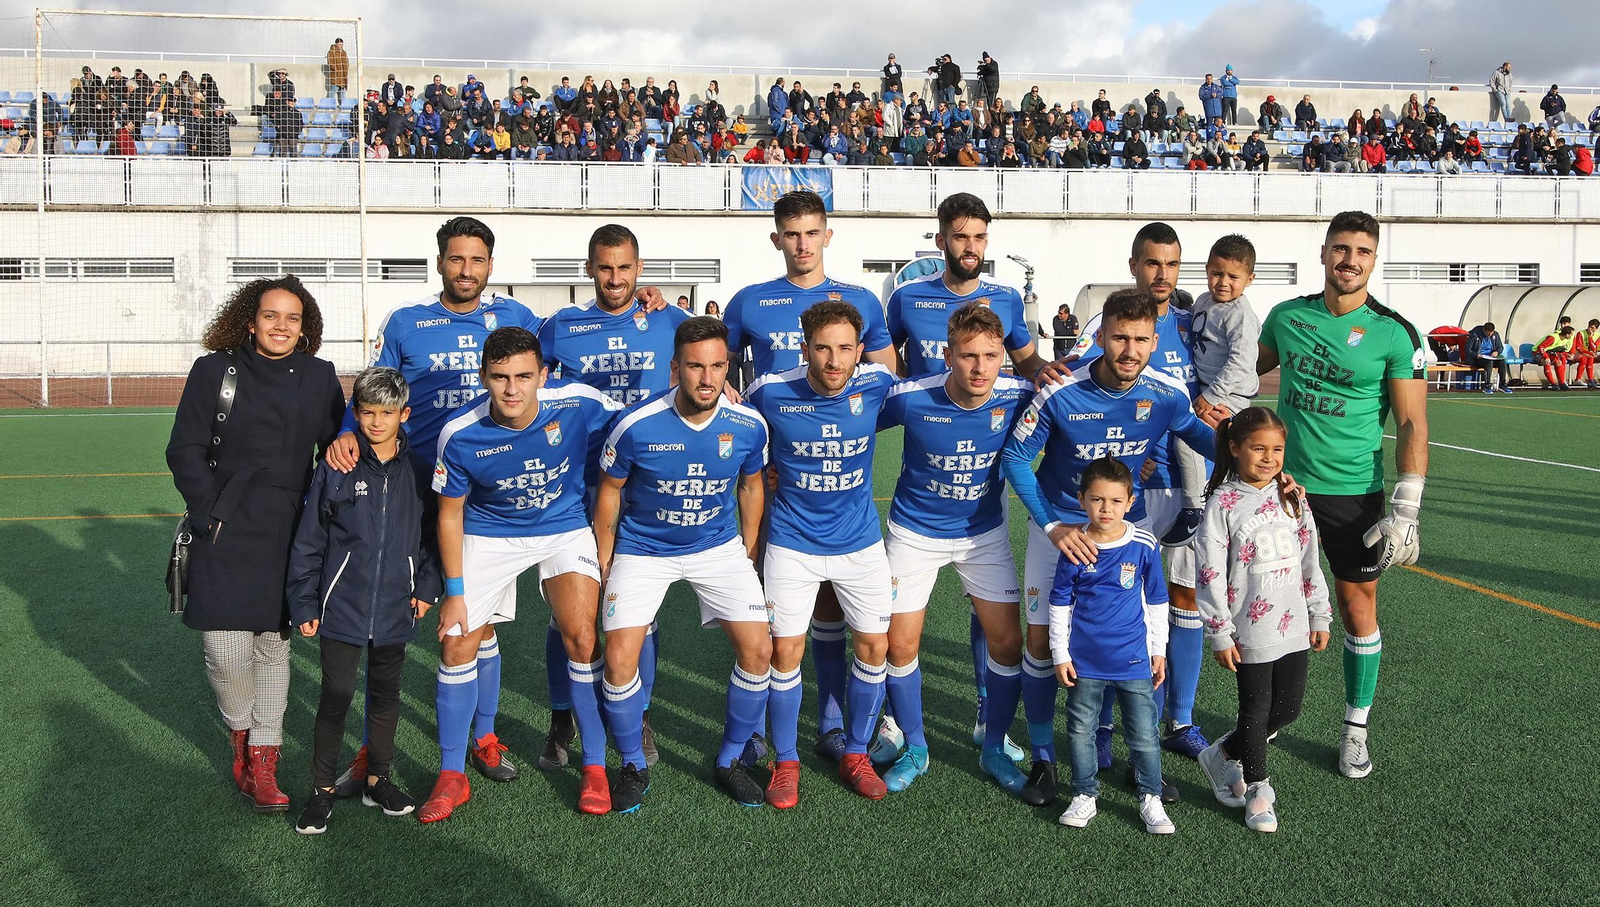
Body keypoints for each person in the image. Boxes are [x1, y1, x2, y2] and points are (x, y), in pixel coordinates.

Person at [1000, 288, 1216, 807]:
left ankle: (1127, 757)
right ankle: (1045, 760)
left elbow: (1202, 437)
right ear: (1100, 337)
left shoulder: (1165, 392)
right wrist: (1053, 526)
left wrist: (1259, 463)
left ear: (1154, 340)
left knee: (1133, 642)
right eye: (1119, 337)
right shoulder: (1061, 390)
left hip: (1124, 536)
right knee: (1040, 645)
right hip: (1058, 530)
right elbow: (1015, 457)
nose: (1130, 350)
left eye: (1142, 339)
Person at [1256, 210, 1429, 779]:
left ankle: (1355, 727)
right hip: (1282, 487)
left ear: (1374, 260)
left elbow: (1411, 424)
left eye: (1362, 251)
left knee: (1358, 607)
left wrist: (1407, 506)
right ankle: (1274, 710)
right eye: (1340, 249)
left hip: (1353, 494)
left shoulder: (1394, 332)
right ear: (1324, 252)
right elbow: (1239, 377)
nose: (1350, 260)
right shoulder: (1287, 317)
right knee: (1270, 603)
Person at [426, 327, 623, 821]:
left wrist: (707, 392)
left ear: (544, 374)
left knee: (581, 636)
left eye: (523, 377)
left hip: (562, 526)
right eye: (499, 378)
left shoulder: (578, 402)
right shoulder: (459, 433)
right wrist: (453, 592)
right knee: (455, 640)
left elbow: (638, 424)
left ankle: (595, 766)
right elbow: (449, 514)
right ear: (482, 377)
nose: (512, 390)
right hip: (489, 533)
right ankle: (452, 773)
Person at [167, 276, 345, 814]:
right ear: (251, 319)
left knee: (273, 645)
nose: (281, 327)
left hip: (289, 527)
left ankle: (264, 760)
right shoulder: (214, 370)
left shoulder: (319, 377)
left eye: (293, 318)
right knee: (224, 647)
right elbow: (185, 449)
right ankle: (239, 736)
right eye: (271, 316)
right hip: (224, 521)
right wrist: (207, 513)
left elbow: (336, 445)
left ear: (305, 326)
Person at [592, 316, 772, 810]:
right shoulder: (635, 424)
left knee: (758, 651)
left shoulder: (747, 423)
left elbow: (752, 485)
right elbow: (609, 493)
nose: (707, 378)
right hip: (644, 549)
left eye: (718, 366)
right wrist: (605, 562)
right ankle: (632, 763)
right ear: (675, 369)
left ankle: (731, 759)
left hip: (717, 548)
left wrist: (749, 551)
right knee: (620, 657)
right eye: (695, 366)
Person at [875, 304, 1034, 793]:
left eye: (991, 355)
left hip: (982, 535)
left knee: (1009, 643)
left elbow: (1083, 411)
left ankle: (992, 744)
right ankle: (916, 748)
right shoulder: (909, 397)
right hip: (914, 533)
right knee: (898, 645)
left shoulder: (1020, 394)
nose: (981, 367)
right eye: (968, 356)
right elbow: (841, 417)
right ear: (947, 355)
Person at [747, 301, 897, 805]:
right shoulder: (769, 392)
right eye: (823, 349)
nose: (835, 361)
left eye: (845, 349)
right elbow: (734, 435)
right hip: (792, 544)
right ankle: (785, 761)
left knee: (876, 648)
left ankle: (855, 751)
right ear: (804, 345)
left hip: (860, 543)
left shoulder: (876, 385)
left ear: (860, 350)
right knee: (783, 654)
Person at [288, 367, 436, 833]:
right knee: (336, 695)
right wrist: (306, 603)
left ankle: (378, 779)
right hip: (342, 606)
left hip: (397, 604)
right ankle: (320, 791)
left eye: (386, 413)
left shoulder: (420, 470)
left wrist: (426, 588)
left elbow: (432, 537)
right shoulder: (337, 466)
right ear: (356, 414)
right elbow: (310, 538)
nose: (376, 422)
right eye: (368, 413)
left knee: (386, 694)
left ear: (404, 415)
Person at [1194, 407, 1331, 833]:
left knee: (1287, 709)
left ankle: (1221, 754)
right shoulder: (1223, 504)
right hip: (1248, 626)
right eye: (1258, 448)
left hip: (1292, 624)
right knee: (1256, 709)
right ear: (1235, 449)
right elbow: (1210, 571)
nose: (1269, 458)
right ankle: (1258, 789)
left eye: (1277, 449)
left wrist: (1319, 612)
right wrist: (1219, 630)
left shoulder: (1292, 496)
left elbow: (1310, 559)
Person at [1048, 456, 1176, 836]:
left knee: (1144, 733)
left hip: (1134, 660)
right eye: (1097, 500)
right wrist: (1060, 653)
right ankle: (1084, 794)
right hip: (1084, 662)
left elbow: (1156, 601)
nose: (1106, 509)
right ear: (1082, 499)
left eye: (1115, 501)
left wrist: (1159, 651)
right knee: (1080, 729)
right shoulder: (1075, 546)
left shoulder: (1143, 544)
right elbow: (1059, 603)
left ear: (1130, 502)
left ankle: (1150, 795)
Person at [1184, 233, 1261, 491]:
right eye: (1217, 273)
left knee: (1191, 438)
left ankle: (1195, 503)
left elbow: (1242, 361)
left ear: (1249, 280)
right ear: (1207, 270)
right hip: (1208, 387)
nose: (1223, 282)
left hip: (1229, 395)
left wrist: (1212, 396)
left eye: (1233, 277)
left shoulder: (1240, 315)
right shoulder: (1204, 300)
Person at [1465, 321, 1512, 394]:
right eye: (1487, 333)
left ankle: (1503, 384)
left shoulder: (1495, 335)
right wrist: (1476, 355)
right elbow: (1468, 349)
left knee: (1502, 362)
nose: (1489, 335)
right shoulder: (1475, 335)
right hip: (1478, 359)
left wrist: (1497, 352)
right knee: (1489, 362)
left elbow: (1500, 347)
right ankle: (1487, 385)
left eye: (1491, 333)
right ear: (1484, 330)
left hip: (1491, 357)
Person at [1536, 325, 1575, 389]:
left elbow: (1556, 349)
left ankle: (1562, 383)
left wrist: (1567, 355)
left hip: (1549, 352)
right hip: (1538, 352)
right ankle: (1553, 384)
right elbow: (1540, 347)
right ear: (1567, 335)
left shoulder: (1564, 339)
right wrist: (1546, 357)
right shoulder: (1553, 338)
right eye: (1571, 334)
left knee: (1558, 362)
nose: (1572, 336)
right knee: (1546, 362)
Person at [1574, 319, 1600, 388]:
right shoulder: (1580, 333)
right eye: (1589, 326)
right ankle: (1589, 380)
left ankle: (1591, 380)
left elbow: (1594, 348)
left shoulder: (1598, 336)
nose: (1589, 329)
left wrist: (1590, 338)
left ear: (1596, 328)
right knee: (1587, 358)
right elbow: (1578, 347)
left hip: (1591, 354)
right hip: (1579, 353)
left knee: (1590, 357)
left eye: (1592, 328)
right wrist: (1589, 353)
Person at [324, 38, 349, 105]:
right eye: (339, 44)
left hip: (343, 77)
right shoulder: (331, 52)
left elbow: (346, 63)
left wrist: (345, 72)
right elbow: (330, 62)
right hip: (336, 76)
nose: (341, 45)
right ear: (336, 44)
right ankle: (328, 105)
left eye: (342, 44)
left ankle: (343, 107)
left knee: (342, 94)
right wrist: (336, 70)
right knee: (332, 91)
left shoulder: (344, 52)